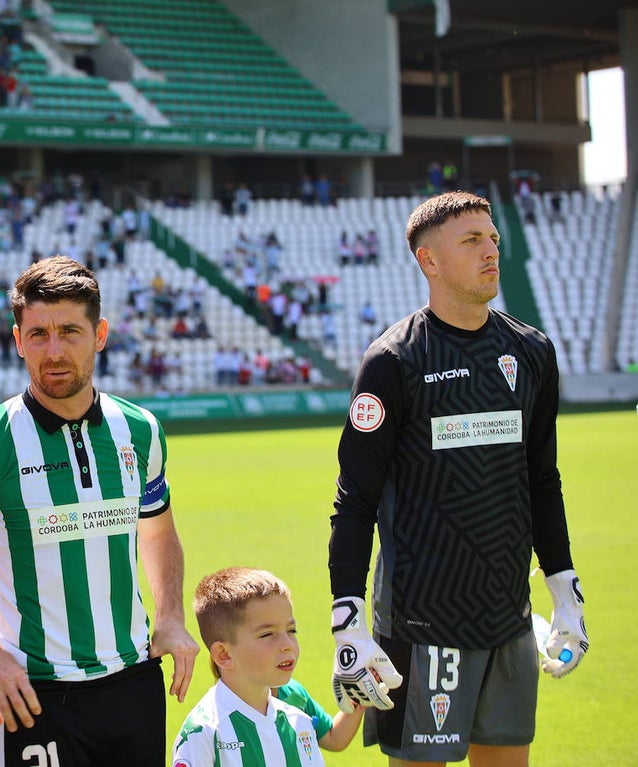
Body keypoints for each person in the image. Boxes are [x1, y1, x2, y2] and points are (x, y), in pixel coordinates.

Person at [0, 256, 199, 766]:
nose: (54, 351)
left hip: (134, 685)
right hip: (33, 696)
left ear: (100, 335)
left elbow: (158, 531)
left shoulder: (140, 430)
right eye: (38, 334)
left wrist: (170, 613)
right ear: (18, 341)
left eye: (70, 332)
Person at [327, 191, 588, 765]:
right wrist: (347, 621)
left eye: (492, 238)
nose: (491, 250)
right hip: (420, 622)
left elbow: (542, 479)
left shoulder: (531, 351)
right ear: (430, 260)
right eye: (471, 241)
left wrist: (564, 589)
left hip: (509, 617)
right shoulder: (393, 361)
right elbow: (355, 500)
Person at [172, 567, 363, 766]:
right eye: (267, 634)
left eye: (291, 630)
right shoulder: (202, 733)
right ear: (224, 654)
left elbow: (334, 738)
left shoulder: (299, 722)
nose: (288, 645)